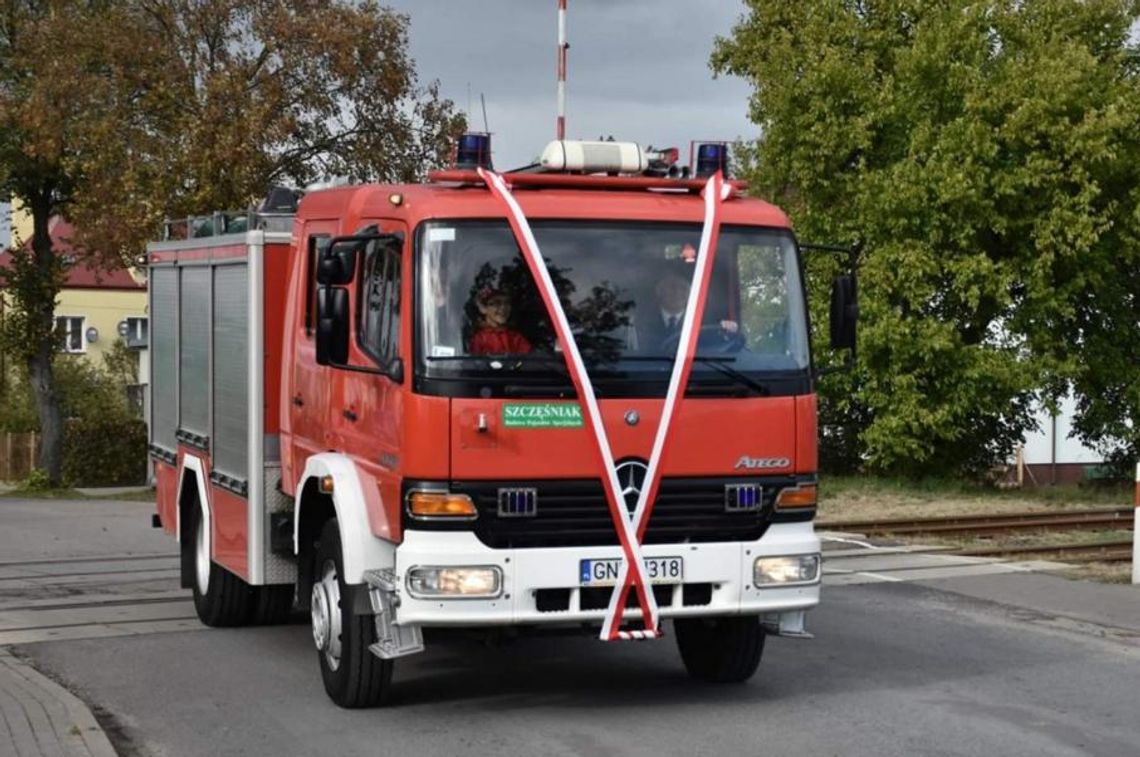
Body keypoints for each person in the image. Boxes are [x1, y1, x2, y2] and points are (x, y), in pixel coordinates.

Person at [638, 269, 739, 352]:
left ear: (690, 293)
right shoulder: (640, 321)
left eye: (683, 288)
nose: (677, 292)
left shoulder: (706, 323)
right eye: (672, 287)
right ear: (659, 290)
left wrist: (728, 331)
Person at [468, 287, 532, 355]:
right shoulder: (479, 339)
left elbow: (529, 357)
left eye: (507, 303)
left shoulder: (515, 338)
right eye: (497, 303)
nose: (503, 308)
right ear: (483, 308)